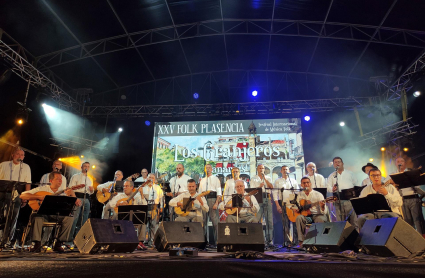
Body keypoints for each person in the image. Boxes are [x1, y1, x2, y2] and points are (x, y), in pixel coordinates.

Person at [20, 172, 81, 252]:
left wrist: (73, 195)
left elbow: (74, 205)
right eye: (57, 179)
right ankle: (37, 244)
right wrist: (39, 197)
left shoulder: (63, 192)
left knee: (69, 218)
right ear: (51, 180)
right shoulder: (43, 189)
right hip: (42, 215)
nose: (60, 181)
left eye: (61, 179)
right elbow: (22, 195)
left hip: (55, 215)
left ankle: (59, 243)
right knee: (36, 216)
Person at [0, 148, 31, 247]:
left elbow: (28, 183)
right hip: (3, 193)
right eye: (17, 154)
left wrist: (25, 197)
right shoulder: (3, 165)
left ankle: (7, 240)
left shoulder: (26, 167)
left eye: (22, 155)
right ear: (13, 155)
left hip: (17, 194)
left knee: (13, 217)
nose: (20, 156)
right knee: (2, 216)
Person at [386, 157, 425, 235]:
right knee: (408, 222)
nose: (400, 162)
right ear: (395, 164)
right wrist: (391, 182)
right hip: (402, 200)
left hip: (413, 197)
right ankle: (412, 240)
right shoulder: (392, 174)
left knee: (418, 221)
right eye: (398, 161)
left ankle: (422, 240)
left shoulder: (410, 172)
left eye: (402, 161)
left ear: (405, 163)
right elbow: (386, 186)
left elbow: (417, 185)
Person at [287, 177, 328, 247]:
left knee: (320, 219)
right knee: (299, 217)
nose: (306, 184)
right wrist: (294, 208)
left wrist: (322, 206)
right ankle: (301, 242)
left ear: (310, 184)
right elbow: (288, 203)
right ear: (301, 185)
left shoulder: (318, 194)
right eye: (304, 183)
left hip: (317, 214)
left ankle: (319, 242)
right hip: (306, 216)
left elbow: (325, 212)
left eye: (307, 182)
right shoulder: (298, 195)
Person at [108, 180, 148, 250]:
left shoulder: (137, 196)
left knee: (143, 219)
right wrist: (119, 204)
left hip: (134, 219)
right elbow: (111, 204)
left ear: (132, 187)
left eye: (126, 186)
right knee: (115, 216)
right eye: (124, 186)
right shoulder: (119, 196)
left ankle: (140, 242)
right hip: (122, 219)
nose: (124, 188)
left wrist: (141, 194)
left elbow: (145, 205)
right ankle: (118, 240)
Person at [326, 157, 359, 230]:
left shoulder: (350, 173)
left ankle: (356, 238)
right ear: (333, 165)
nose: (337, 163)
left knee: (353, 220)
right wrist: (332, 189)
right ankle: (342, 238)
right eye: (335, 162)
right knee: (340, 221)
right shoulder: (332, 175)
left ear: (342, 163)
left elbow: (356, 185)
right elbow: (328, 186)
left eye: (338, 162)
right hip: (337, 200)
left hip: (349, 199)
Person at [68, 162, 93, 241]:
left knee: (84, 220)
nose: (86, 168)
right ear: (81, 167)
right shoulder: (75, 176)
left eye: (88, 166)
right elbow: (70, 188)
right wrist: (75, 198)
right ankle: (69, 239)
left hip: (87, 198)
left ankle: (79, 239)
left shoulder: (90, 178)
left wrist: (92, 190)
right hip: (78, 197)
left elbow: (91, 192)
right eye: (85, 166)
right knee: (74, 218)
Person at [197, 164, 222, 246]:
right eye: (206, 168)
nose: (207, 169)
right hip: (204, 199)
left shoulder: (216, 179)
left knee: (215, 220)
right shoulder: (203, 180)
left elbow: (219, 192)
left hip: (212, 198)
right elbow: (200, 193)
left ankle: (218, 242)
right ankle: (204, 241)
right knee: (203, 220)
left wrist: (217, 202)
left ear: (211, 169)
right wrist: (201, 202)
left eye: (209, 168)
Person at [249, 164, 274, 244]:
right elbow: (252, 191)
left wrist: (265, 179)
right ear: (257, 169)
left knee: (269, 220)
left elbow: (271, 187)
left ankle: (269, 240)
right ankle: (258, 239)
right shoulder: (253, 179)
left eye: (262, 168)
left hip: (267, 198)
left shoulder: (268, 177)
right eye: (260, 168)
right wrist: (259, 186)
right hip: (258, 199)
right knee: (257, 219)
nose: (261, 169)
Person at [141, 173, 163, 245]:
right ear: (147, 178)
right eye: (149, 177)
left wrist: (161, 207)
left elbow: (161, 198)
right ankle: (144, 240)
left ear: (155, 179)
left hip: (154, 207)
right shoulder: (143, 187)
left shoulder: (157, 187)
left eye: (152, 178)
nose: (151, 179)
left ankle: (152, 240)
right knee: (145, 224)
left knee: (153, 224)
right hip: (145, 207)